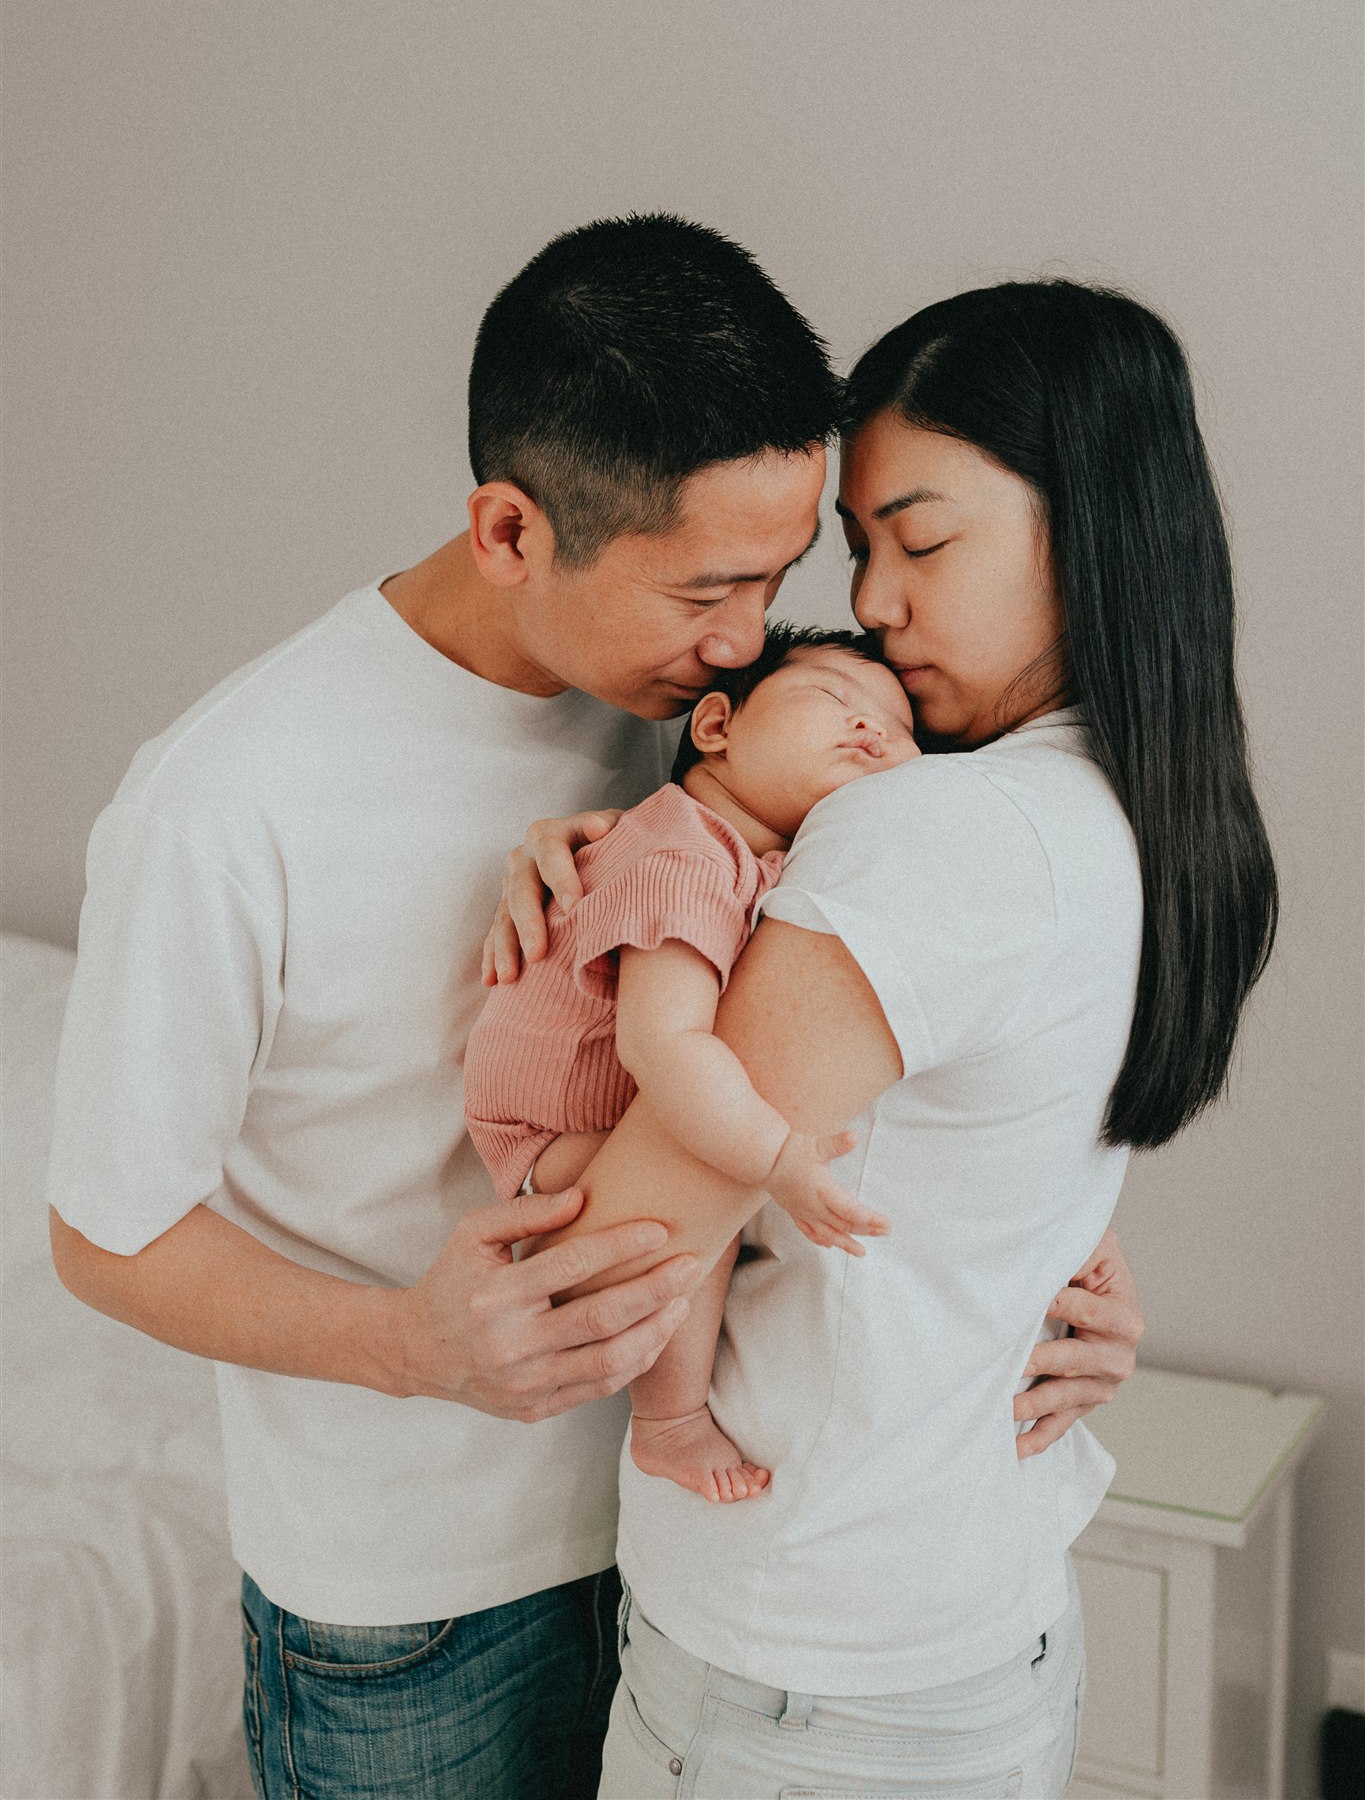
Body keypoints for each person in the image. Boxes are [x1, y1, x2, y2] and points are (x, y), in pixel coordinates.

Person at [46, 218, 1145, 1800]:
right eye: (707, 588)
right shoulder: (225, 803)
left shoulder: (709, 718)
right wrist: (407, 1345)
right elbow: (105, 1234)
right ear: (508, 528)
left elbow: (934, 996)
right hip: (420, 1610)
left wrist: (1060, 1263)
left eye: (777, 576)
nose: (749, 635)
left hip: (700, 1545)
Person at [500, 280, 1277, 1798]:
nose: (871, 603)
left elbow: (615, 1251)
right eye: (863, 552)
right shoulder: (1144, 819)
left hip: (802, 1666)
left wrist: (564, 960)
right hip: (971, 1620)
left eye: (921, 541)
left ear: (1093, 525)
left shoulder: (941, 831)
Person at [468, 624, 921, 1503]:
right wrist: (773, 1157)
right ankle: (669, 1423)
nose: (870, 729)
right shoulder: (685, 853)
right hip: (550, 1133)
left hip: (602, 1113)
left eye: (899, 730)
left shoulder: (760, 857)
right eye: (832, 698)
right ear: (714, 726)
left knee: (711, 1183)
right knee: (697, 1218)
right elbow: (660, 1042)